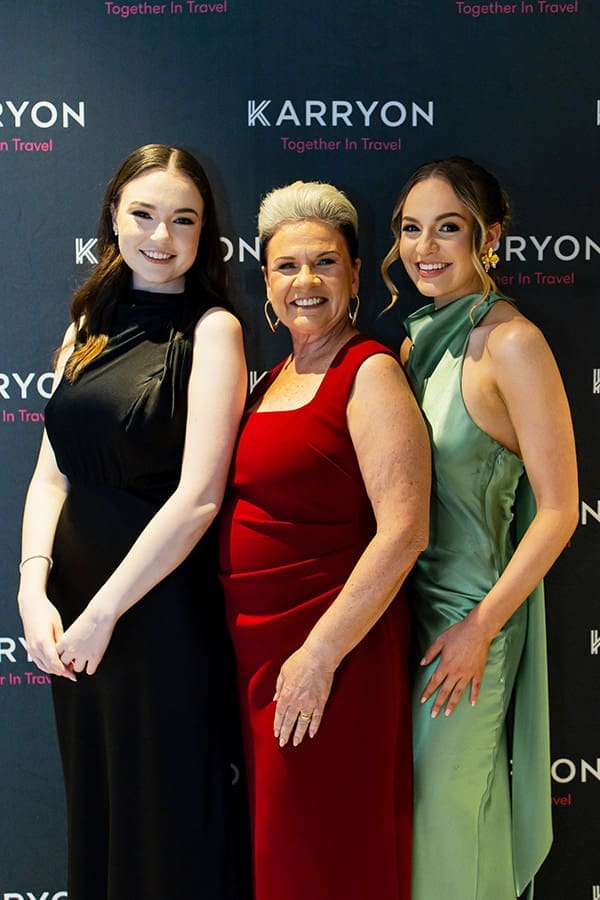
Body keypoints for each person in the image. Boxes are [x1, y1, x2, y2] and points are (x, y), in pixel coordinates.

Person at [17, 144, 251, 900]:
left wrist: (103, 613)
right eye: (144, 214)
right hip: (73, 620)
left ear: (204, 232)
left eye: (182, 219)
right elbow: (52, 472)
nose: (161, 235)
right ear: (113, 216)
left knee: (164, 823)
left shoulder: (213, 331)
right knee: (100, 810)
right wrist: (32, 590)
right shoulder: (85, 323)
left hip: (153, 615)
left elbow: (199, 499)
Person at [218, 180, 431, 900]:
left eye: (325, 264)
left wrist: (319, 653)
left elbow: (404, 531)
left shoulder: (368, 372)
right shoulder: (268, 377)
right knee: (279, 852)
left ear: (355, 276)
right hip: (259, 651)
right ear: (267, 284)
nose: (304, 282)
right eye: (286, 267)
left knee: (328, 852)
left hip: (335, 653)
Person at [381, 156, 579, 900]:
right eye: (411, 229)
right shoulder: (411, 347)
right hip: (403, 624)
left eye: (449, 228)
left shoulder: (514, 346)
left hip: (469, 633)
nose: (426, 248)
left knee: (445, 833)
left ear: (489, 237)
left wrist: (480, 632)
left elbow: (559, 510)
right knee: (417, 837)